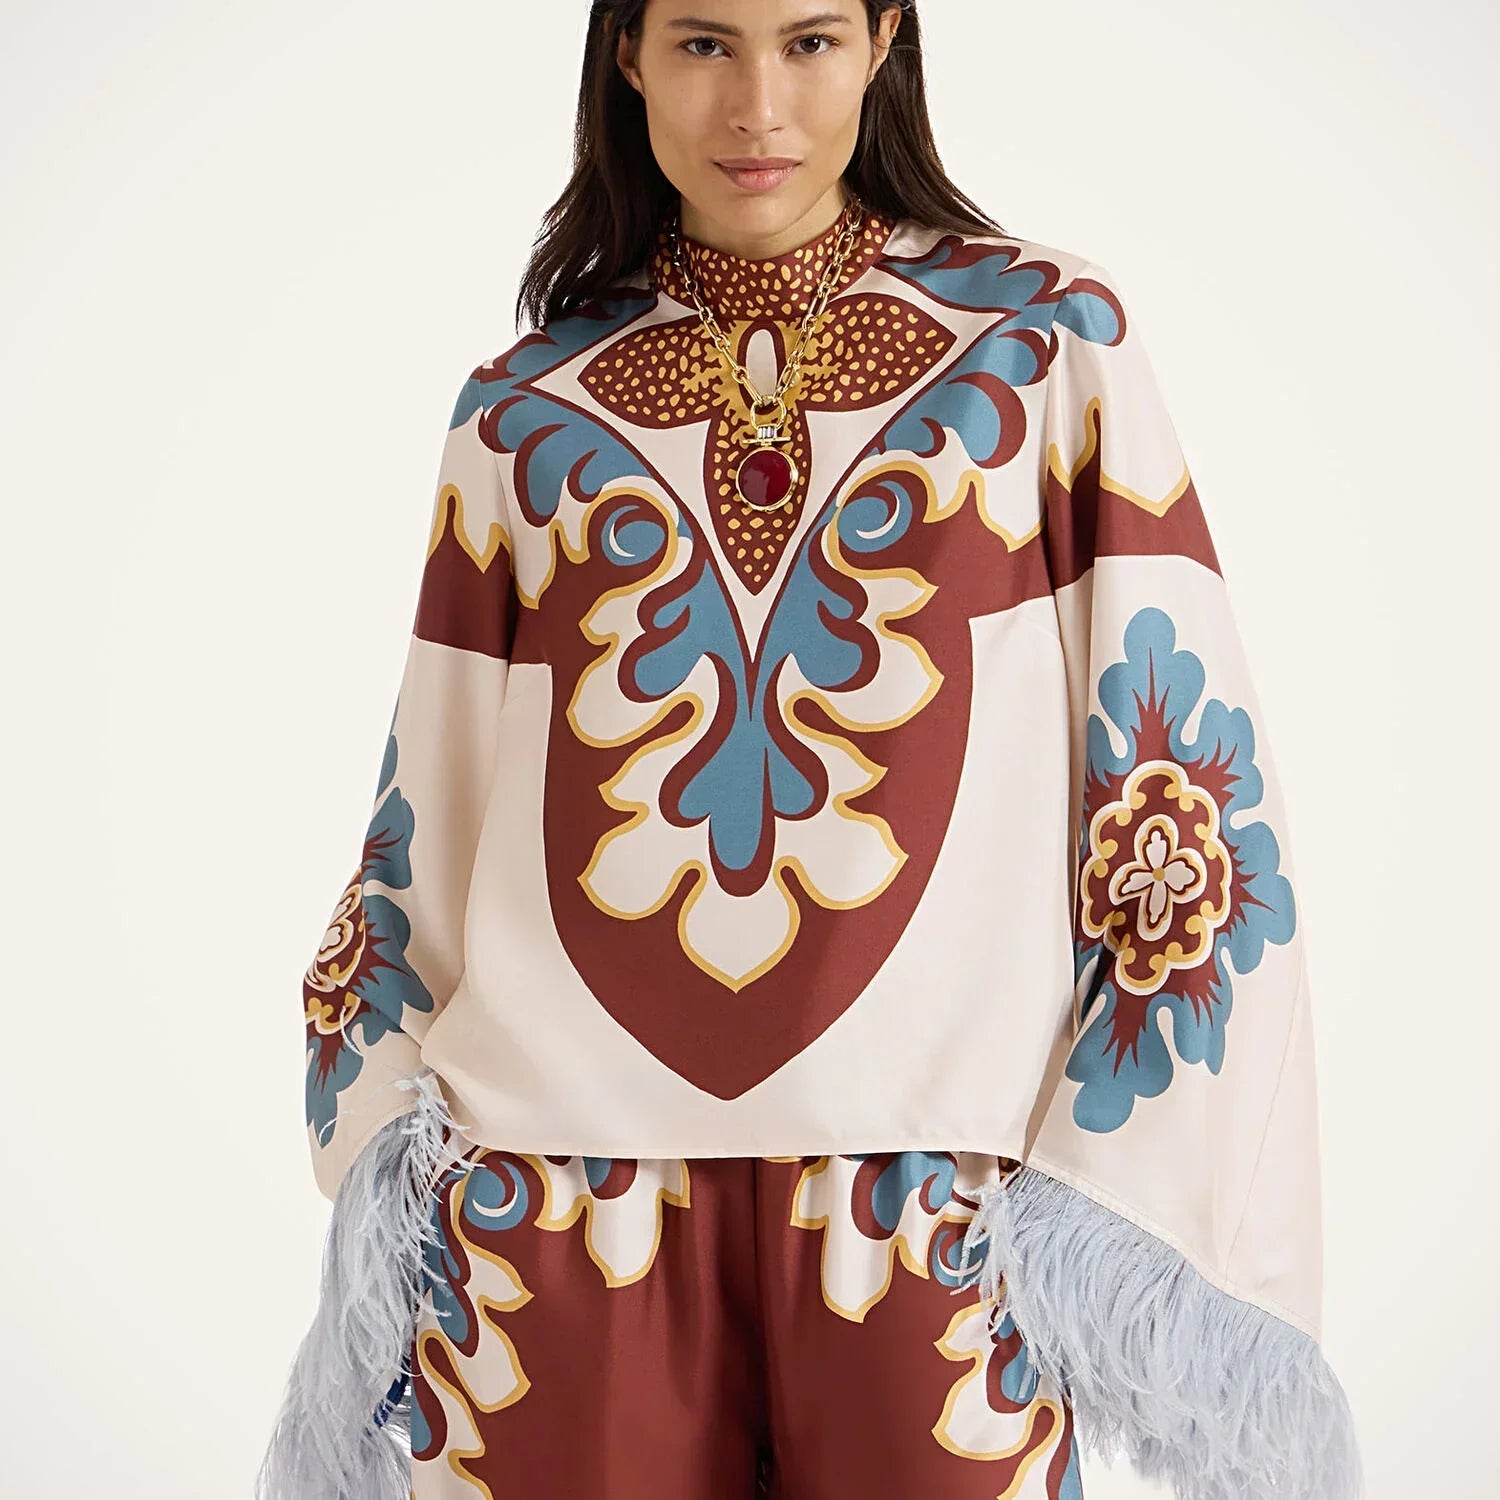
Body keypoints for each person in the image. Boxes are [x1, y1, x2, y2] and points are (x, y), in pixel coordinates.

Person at [257, 3, 1363, 1498]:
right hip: (554, 1210)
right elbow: (424, 818)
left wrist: (1108, 1152)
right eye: (704, 45)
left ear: (886, 39)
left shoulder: (1042, 346)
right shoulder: (521, 411)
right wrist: (401, 1160)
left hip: (934, 1207)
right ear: (627, 53)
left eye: (812, 41)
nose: (759, 107)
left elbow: (1178, 772)